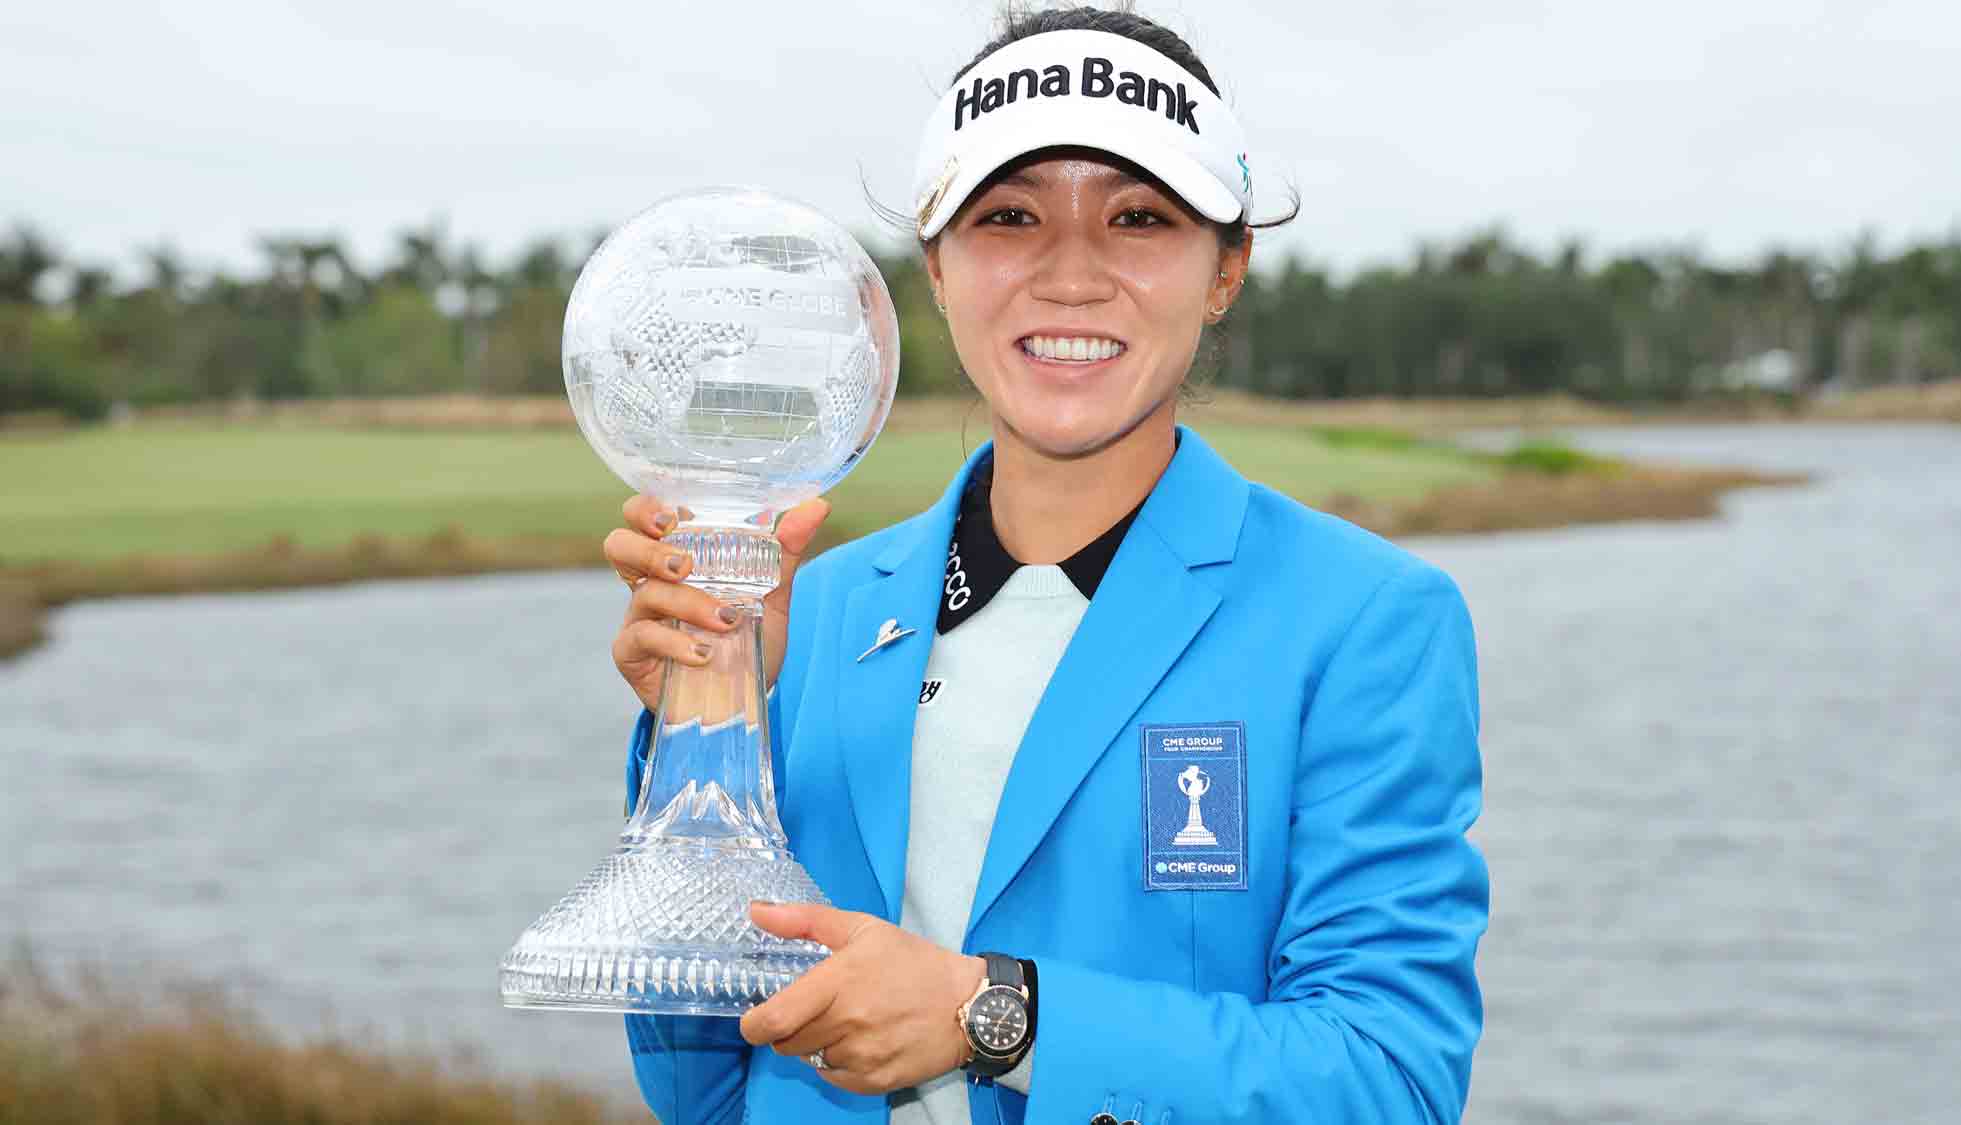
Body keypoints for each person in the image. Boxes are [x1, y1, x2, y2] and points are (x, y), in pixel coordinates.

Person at [600, 7, 1487, 1124]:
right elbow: (700, 1086)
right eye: (1009, 216)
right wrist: (701, 730)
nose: (1070, 276)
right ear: (935, 263)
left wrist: (990, 1015)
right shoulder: (811, 613)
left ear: (1226, 268)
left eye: (1137, 218)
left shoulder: (1362, 622)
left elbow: (1385, 1083)